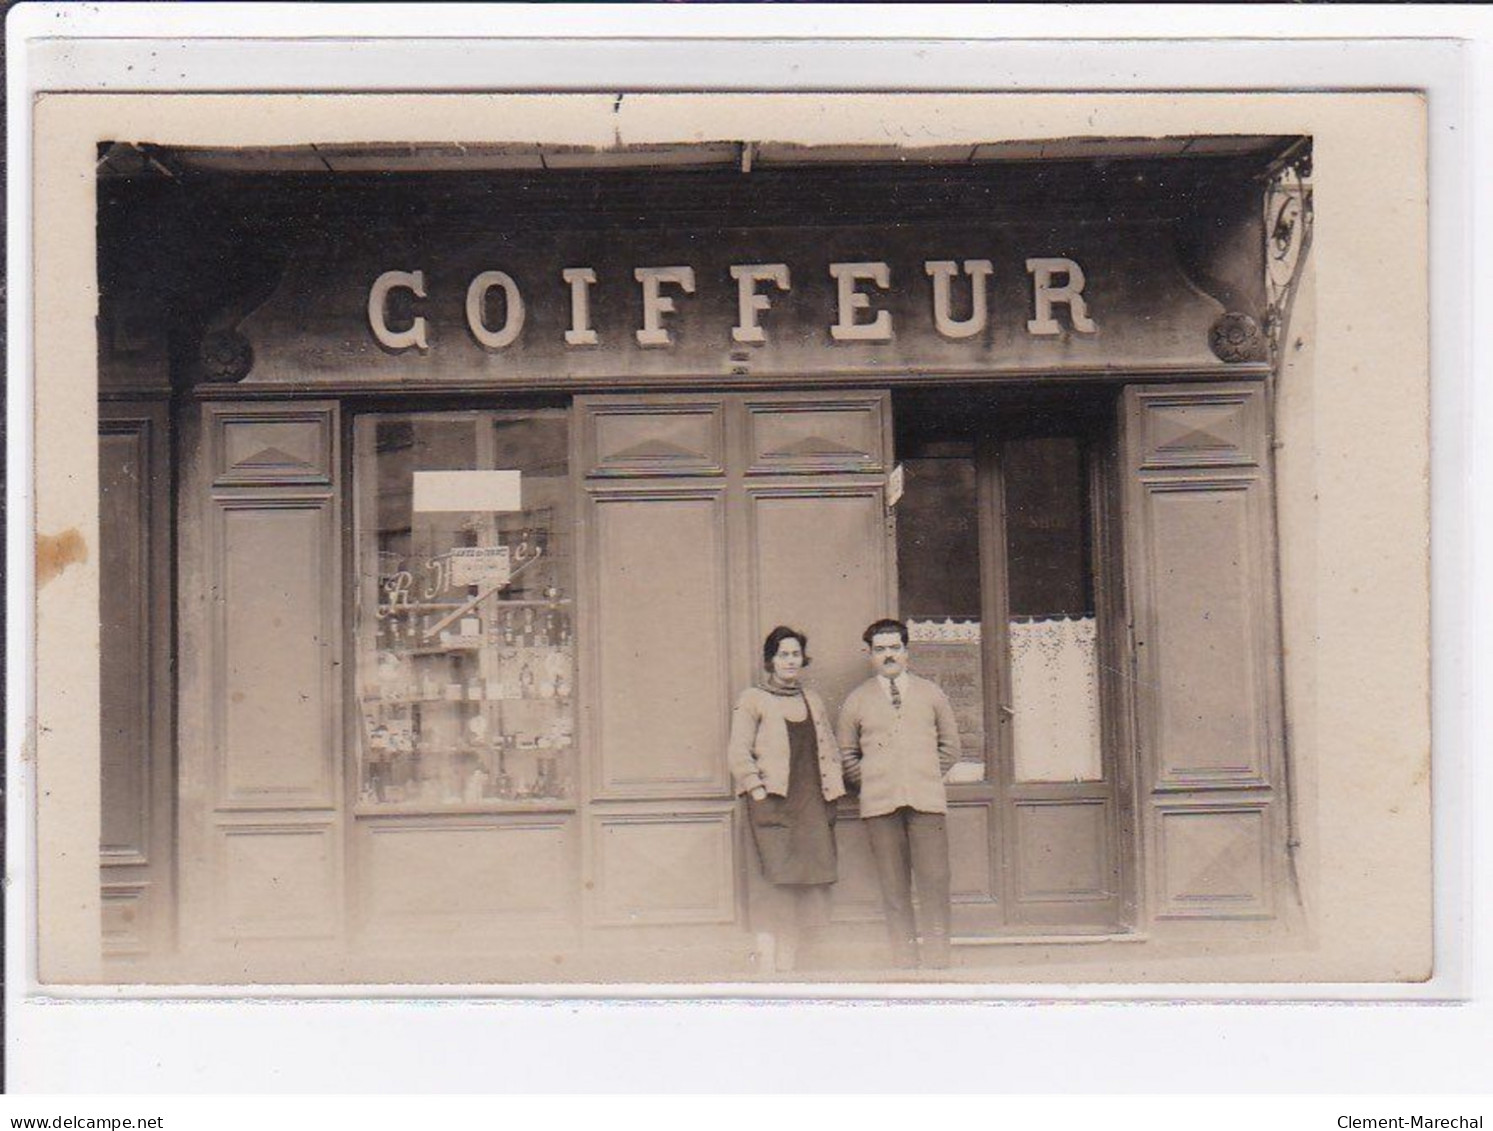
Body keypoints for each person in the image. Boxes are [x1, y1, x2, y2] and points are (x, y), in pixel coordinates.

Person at [837, 618, 961, 969]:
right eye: (880, 650)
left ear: (906, 652)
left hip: (927, 803)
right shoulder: (856, 700)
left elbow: (951, 747)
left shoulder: (931, 694)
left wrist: (920, 776)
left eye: (894, 648)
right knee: (893, 887)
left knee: (934, 881)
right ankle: (904, 959)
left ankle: (938, 959)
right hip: (880, 806)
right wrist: (878, 779)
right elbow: (846, 756)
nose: (888, 655)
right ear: (870, 655)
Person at [727, 625, 846, 972]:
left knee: (803, 881)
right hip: (773, 803)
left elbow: (830, 748)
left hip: (810, 801)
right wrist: (758, 790)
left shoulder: (813, 700)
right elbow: (738, 752)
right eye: (783, 655)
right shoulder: (752, 699)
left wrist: (832, 794)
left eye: (795, 654)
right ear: (770, 660)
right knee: (771, 881)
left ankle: (788, 963)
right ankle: (767, 964)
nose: (790, 661)